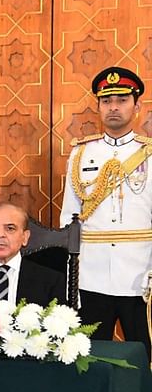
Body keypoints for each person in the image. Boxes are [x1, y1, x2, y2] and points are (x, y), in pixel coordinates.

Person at [60, 66, 152, 358]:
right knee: (89, 355)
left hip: (141, 276)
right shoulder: (81, 153)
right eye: (106, 101)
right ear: (98, 106)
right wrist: (70, 275)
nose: (114, 107)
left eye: (122, 100)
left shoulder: (149, 153)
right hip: (91, 274)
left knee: (144, 354)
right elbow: (69, 218)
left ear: (136, 106)